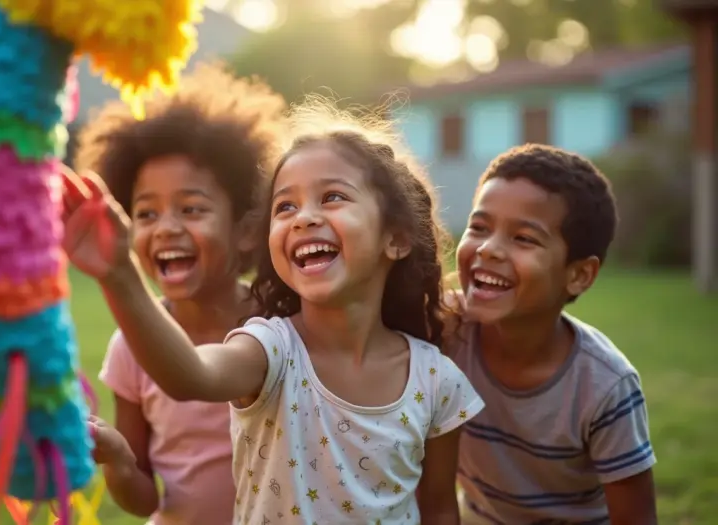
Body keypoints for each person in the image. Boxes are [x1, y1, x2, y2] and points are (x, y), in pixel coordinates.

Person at [62, 99, 484, 524]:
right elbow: (191, 374)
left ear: (396, 238)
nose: (303, 218)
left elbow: (439, 509)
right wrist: (119, 274)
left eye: (332, 196)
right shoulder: (270, 349)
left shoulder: (436, 380)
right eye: (286, 206)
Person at [72, 62, 286, 525]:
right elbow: (144, 499)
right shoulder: (131, 346)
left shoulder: (284, 325)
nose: (167, 228)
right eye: (146, 214)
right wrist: (120, 461)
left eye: (191, 208)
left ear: (247, 231)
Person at [448, 144, 658, 524]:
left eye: (524, 238)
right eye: (479, 227)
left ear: (578, 275)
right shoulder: (444, 337)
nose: (489, 249)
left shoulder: (605, 386)